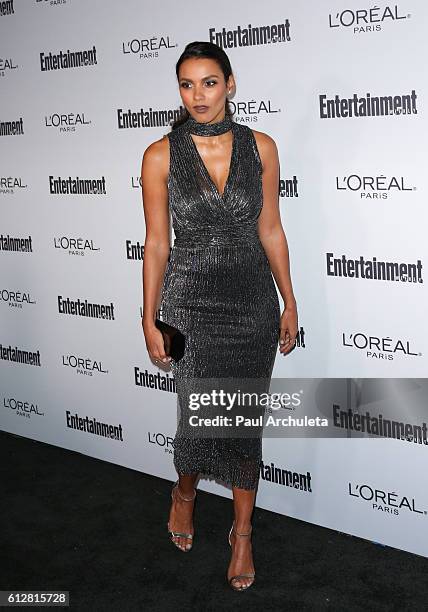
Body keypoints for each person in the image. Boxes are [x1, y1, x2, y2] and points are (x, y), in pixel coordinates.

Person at [141, 41, 298, 591]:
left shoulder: (263, 147)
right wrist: (148, 317)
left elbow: (271, 229)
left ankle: (243, 532)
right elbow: (157, 243)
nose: (198, 95)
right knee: (198, 414)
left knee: (242, 419)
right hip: (190, 304)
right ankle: (184, 491)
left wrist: (289, 299)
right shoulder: (159, 155)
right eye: (186, 84)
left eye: (209, 82)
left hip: (252, 301)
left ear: (230, 83)